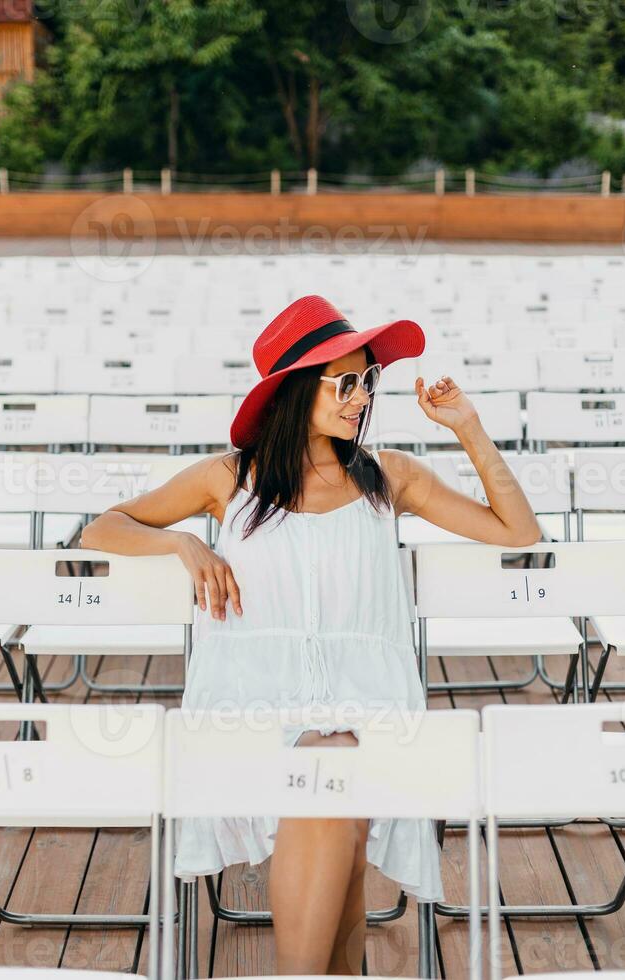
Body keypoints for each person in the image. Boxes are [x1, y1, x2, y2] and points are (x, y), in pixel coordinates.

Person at [81, 294, 541, 975]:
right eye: (346, 382)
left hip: (368, 709)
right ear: (299, 390)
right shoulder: (229, 478)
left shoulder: (389, 477)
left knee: (336, 782)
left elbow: (519, 532)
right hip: (253, 709)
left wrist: (467, 428)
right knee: (329, 784)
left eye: (369, 381)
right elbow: (102, 528)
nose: (362, 397)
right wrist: (183, 544)